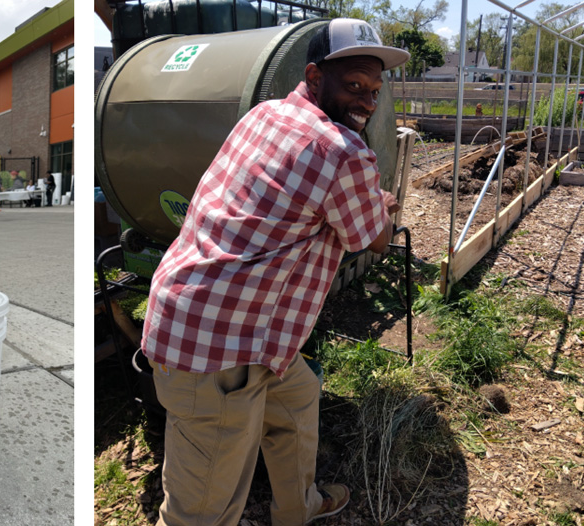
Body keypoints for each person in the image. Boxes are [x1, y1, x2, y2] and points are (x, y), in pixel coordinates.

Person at [139, 18, 408, 526]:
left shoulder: (265, 114)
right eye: (353, 86)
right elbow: (372, 238)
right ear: (313, 75)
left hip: (222, 318)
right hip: (216, 347)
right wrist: (384, 208)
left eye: (373, 91)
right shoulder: (345, 152)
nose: (366, 102)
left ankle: (297, 508)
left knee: (299, 396)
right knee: (202, 510)